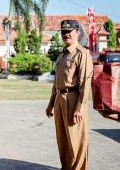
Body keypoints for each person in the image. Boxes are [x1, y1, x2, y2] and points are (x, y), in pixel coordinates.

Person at [46, 20, 93, 170]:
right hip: (60, 99)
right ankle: (66, 167)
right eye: (63, 32)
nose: (66, 34)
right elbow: (56, 82)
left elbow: (86, 82)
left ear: (77, 33)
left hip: (74, 99)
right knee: (63, 138)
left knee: (77, 138)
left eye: (69, 31)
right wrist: (51, 103)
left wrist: (80, 106)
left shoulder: (82, 54)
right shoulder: (62, 55)